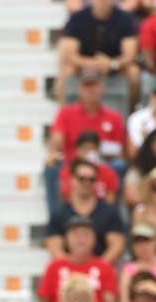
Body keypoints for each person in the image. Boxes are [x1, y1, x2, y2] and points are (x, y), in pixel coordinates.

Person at [44, 70, 125, 210]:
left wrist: (102, 156)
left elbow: (121, 151)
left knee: (119, 166)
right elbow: (56, 143)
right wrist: (55, 152)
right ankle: (56, 218)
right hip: (72, 164)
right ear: (79, 88)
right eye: (87, 85)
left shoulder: (114, 117)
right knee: (51, 169)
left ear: (101, 87)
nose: (91, 89)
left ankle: (112, 216)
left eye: (94, 85)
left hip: (103, 165)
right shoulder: (66, 113)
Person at [56, 0, 139, 104]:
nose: (102, 2)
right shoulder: (77, 18)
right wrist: (91, 63)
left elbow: (130, 55)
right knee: (66, 71)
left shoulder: (125, 18)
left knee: (133, 72)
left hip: (114, 65)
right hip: (84, 64)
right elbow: (69, 54)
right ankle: (64, 113)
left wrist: (111, 64)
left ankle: (131, 114)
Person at [44, 158, 126, 261]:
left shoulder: (110, 212)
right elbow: (54, 246)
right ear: (72, 179)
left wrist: (96, 269)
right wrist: (73, 270)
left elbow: (116, 246)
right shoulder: (59, 213)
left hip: (101, 271)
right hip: (68, 273)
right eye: (81, 178)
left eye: (91, 179)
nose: (86, 183)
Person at [36, 215, 119, 302]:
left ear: (95, 239)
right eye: (75, 234)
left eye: (85, 234)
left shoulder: (105, 267)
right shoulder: (54, 267)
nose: (80, 240)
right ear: (66, 239)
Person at [57, 131, 120, 203]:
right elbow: (67, 198)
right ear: (77, 150)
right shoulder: (67, 172)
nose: (88, 152)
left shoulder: (109, 173)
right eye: (85, 149)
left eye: (92, 149)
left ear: (98, 150)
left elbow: (110, 201)